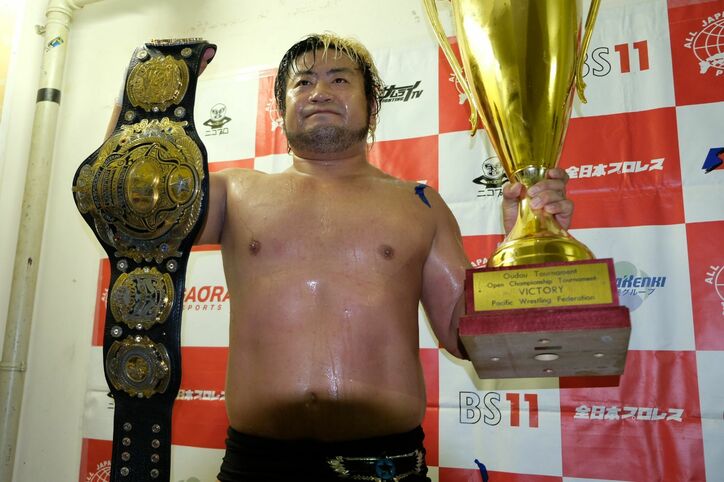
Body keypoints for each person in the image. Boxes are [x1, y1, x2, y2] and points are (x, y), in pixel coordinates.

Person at [108, 33, 574, 482]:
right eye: (303, 82)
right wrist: (144, 100)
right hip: (257, 465)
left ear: (372, 106)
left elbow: (464, 336)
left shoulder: (420, 203)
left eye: (339, 79)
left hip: (387, 466)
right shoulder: (235, 192)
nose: (320, 92)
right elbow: (123, 206)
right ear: (281, 110)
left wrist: (525, 242)